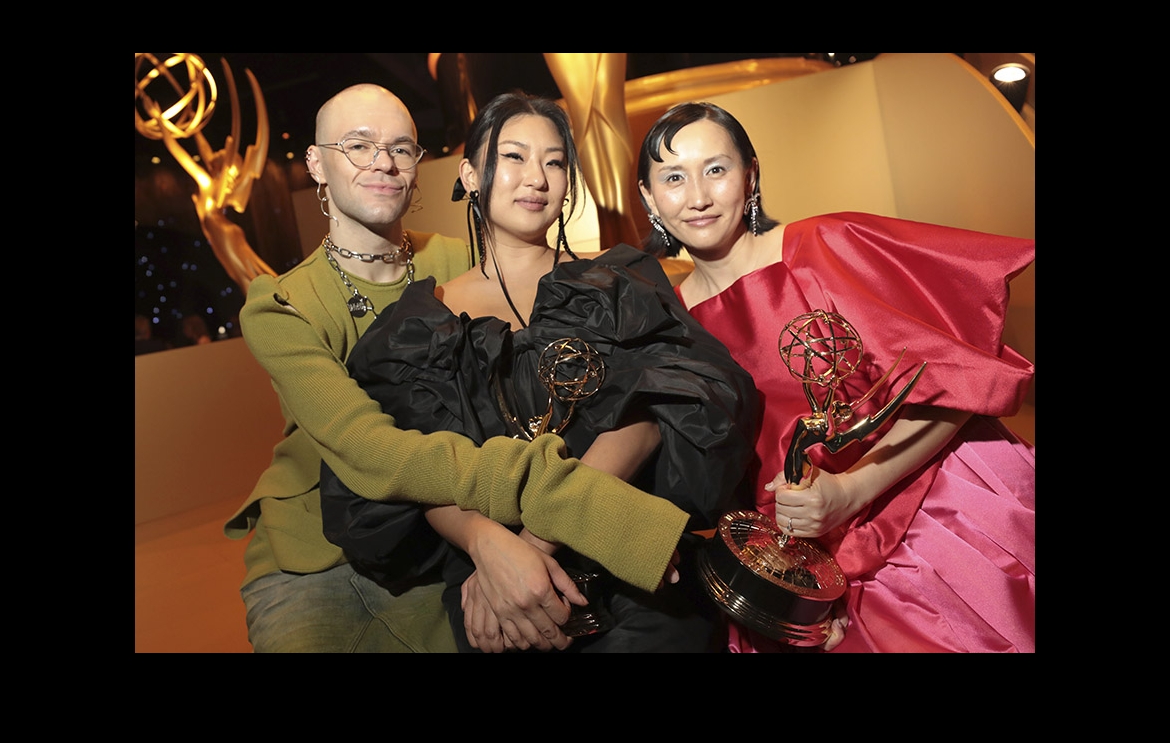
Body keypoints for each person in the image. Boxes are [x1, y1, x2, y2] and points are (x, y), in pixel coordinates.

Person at [223, 84, 695, 653]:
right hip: (327, 538)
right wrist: (557, 507)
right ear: (316, 164)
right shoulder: (281, 304)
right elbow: (375, 451)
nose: (383, 162)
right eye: (358, 145)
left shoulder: (463, 261)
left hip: (449, 523)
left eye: (401, 147)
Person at [319, 91, 758, 653]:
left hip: (627, 565)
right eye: (515, 157)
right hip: (494, 588)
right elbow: (412, 468)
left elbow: (663, 404)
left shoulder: (621, 283)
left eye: (554, 162)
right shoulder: (414, 329)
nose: (538, 179)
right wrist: (487, 548)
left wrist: (533, 545)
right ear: (470, 174)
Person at [637, 102, 1036, 653]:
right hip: (804, 566)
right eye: (674, 177)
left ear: (750, 176)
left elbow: (956, 383)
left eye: (716, 169)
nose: (698, 196)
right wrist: (801, 590)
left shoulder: (827, 247)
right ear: (649, 197)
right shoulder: (669, 327)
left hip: (935, 516)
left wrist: (851, 490)